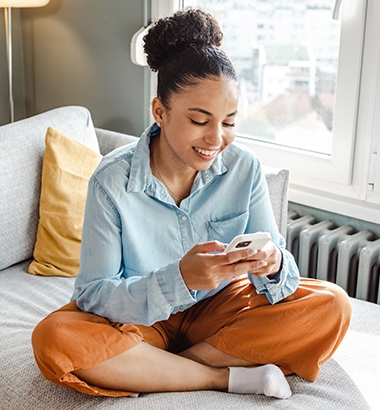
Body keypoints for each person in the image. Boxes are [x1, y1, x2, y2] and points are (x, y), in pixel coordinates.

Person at [32, 8, 351, 400]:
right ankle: (221, 377)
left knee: (332, 305)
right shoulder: (111, 181)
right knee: (55, 339)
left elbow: (279, 278)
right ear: (160, 112)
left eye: (229, 122)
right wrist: (179, 280)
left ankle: (154, 368)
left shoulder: (244, 168)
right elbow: (95, 294)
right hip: (143, 320)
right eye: (200, 120)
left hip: (220, 314)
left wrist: (273, 263)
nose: (216, 138)